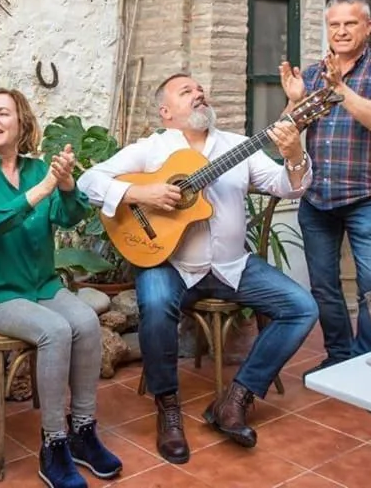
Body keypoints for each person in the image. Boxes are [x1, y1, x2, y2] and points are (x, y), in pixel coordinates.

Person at [78, 74, 318, 462]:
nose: (199, 94)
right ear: (166, 112)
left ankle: (235, 400)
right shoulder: (152, 149)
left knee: (302, 307)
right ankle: (168, 408)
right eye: (186, 91)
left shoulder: (239, 146)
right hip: (170, 265)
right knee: (155, 305)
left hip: (231, 267)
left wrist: (292, 156)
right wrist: (141, 192)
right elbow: (89, 181)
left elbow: (287, 187)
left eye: (200, 90)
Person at [0, 88, 122, 488]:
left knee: (87, 322)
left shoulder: (35, 169)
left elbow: (69, 215)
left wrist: (63, 184)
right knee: (55, 330)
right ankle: (53, 443)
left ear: (22, 123)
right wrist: (43, 189)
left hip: (38, 286)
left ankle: (82, 430)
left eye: (3, 113)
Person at [280, 0, 371, 372]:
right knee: (324, 286)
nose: (341, 31)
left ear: (367, 27)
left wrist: (341, 90)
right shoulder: (315, 72)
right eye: (334, 24)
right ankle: (339, 359)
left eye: (350, 23)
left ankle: (366, 360)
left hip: (366, 197)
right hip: (317, 198)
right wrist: (294, 100)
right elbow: (289, 127)